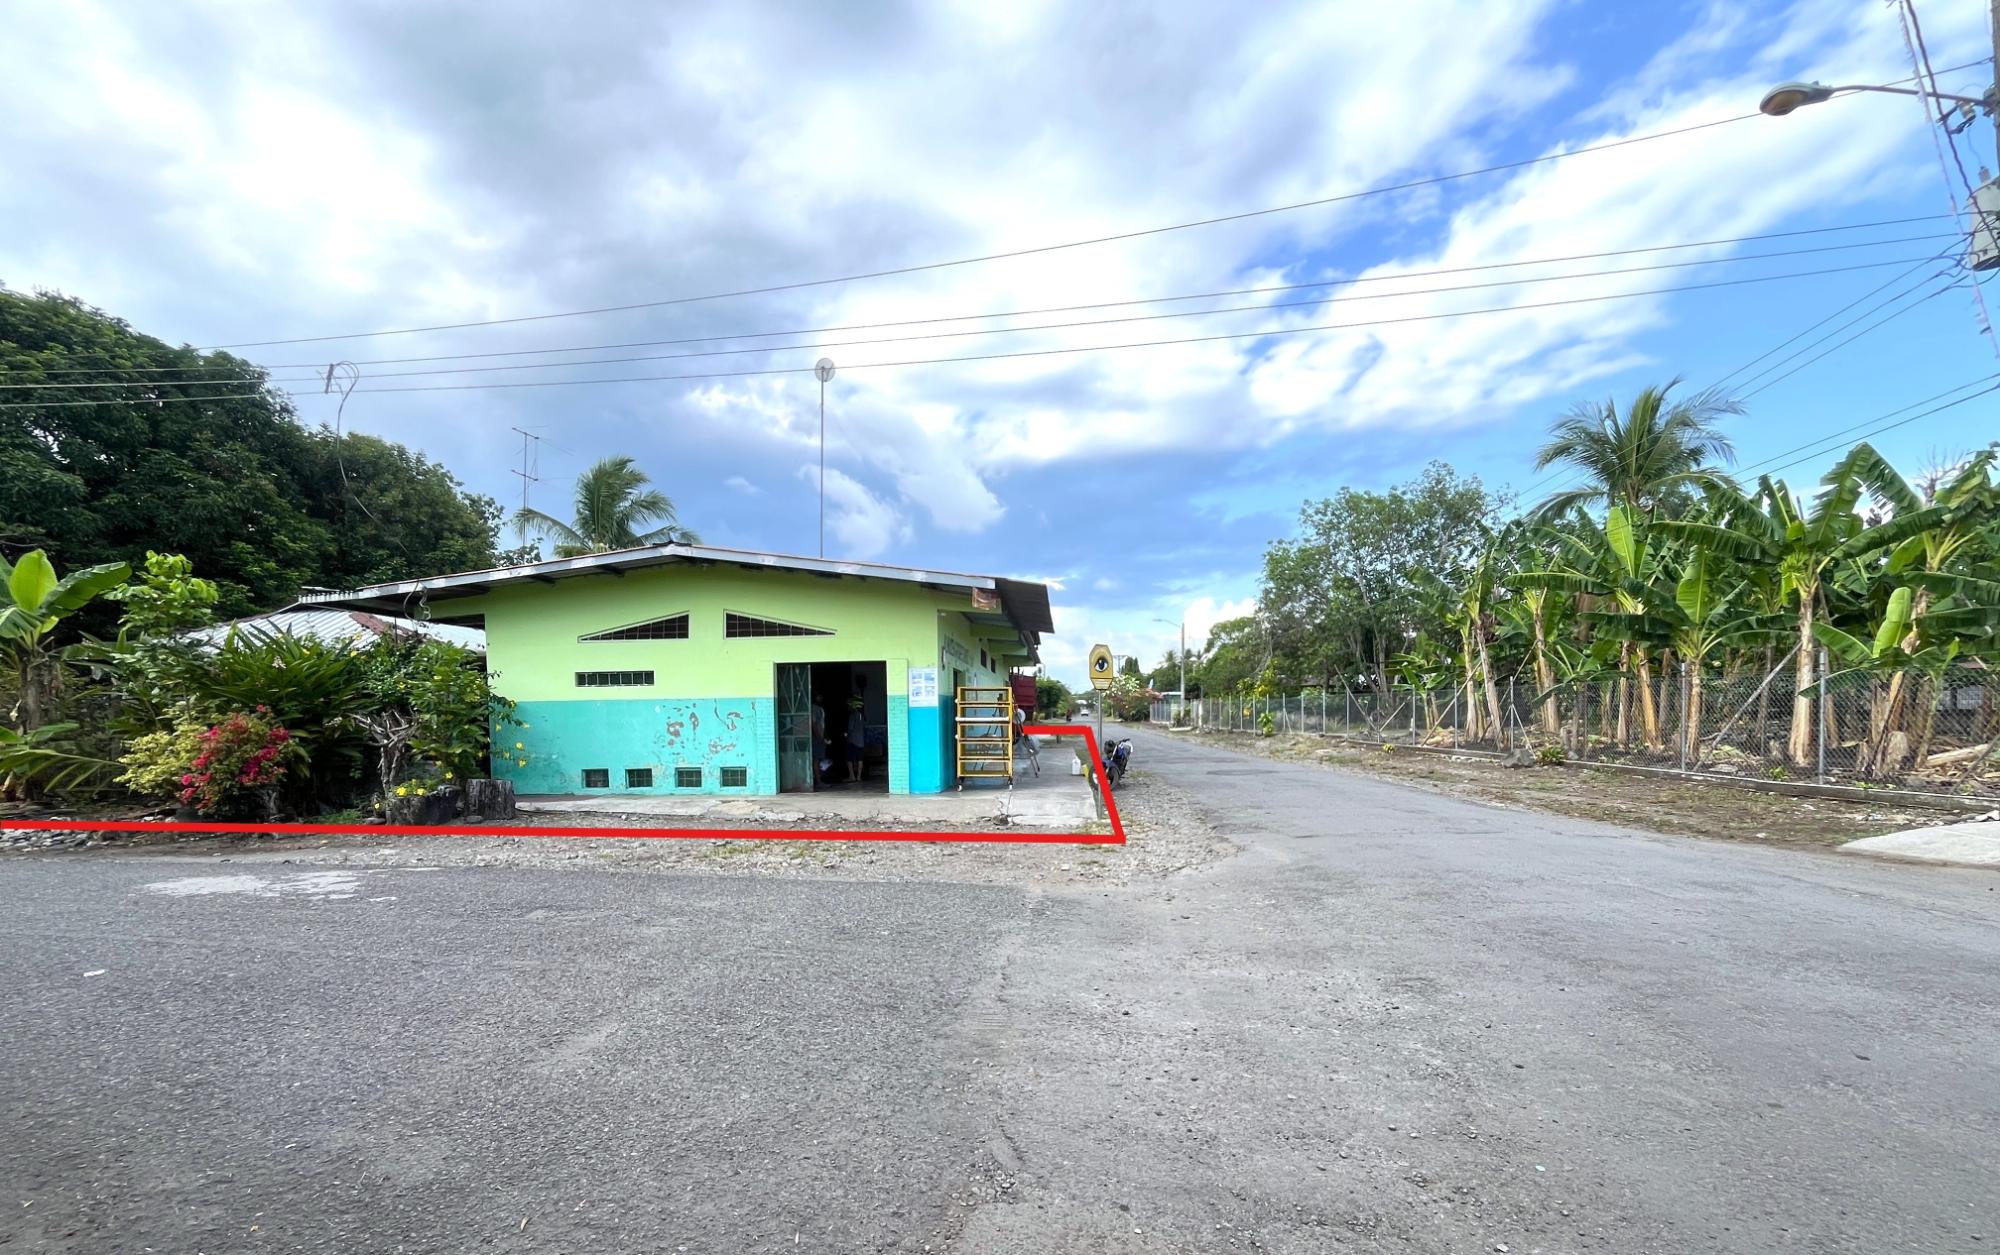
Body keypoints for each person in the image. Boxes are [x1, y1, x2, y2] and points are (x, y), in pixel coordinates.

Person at [844, 696, 867, 783]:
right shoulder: (862, 716)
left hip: (852, 741)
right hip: (861, 741)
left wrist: (846, 734)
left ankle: (852, 776)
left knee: (849, 759)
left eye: (849, 705)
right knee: (860, 759)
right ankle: (859, 777)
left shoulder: (853, 715)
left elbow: (850, 729)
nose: (848, 707)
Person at [810, 694, 828, 789]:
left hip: (820, 737)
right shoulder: (814, 708)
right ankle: (818, 781)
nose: (820, 697)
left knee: (819, 759)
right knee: (816, 759)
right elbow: (813, 724)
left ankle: (818, 779)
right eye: (818, 696)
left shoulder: (820, 709)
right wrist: (819, 737)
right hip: (816, 738)